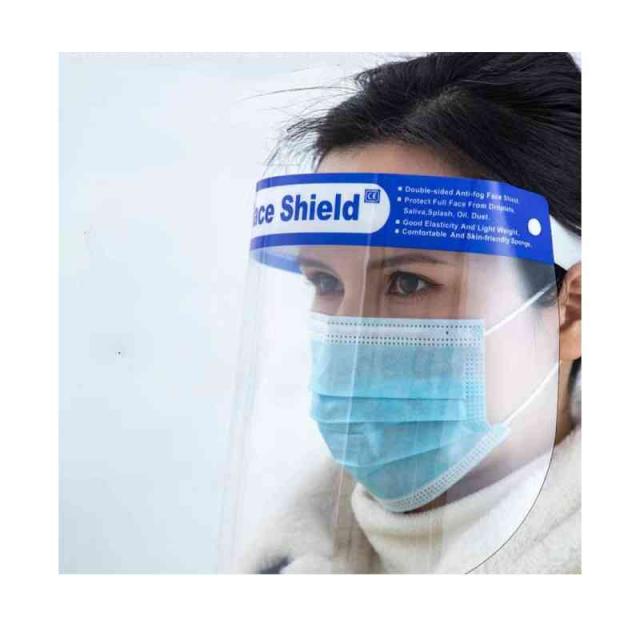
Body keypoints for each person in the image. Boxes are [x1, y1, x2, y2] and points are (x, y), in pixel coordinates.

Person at [234, 52, 581, 574]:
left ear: (572, 311)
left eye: (409, 282)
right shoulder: (283, 563)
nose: (349, 336)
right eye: (325, 281)